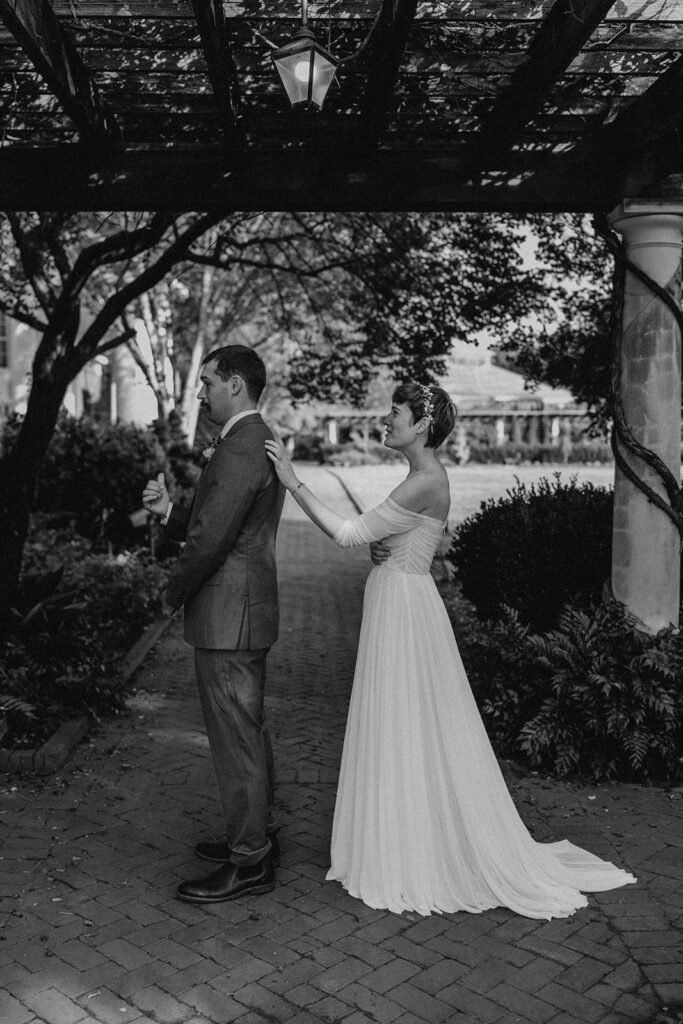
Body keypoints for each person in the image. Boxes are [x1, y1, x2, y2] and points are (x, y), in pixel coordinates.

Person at [265, 382, 636, 918]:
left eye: (396, 413)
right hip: (402, 598)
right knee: (405, 724)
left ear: (421, 425)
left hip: (404, 610)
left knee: (406, 722)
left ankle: (409, 852)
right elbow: (391, 538)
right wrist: (385, 546)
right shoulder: (420, 478)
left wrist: (293, 482)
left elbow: (348, 533)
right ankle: (401, 838)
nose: (386, 419)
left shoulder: (424, 480)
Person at [143, 345, 284, 904]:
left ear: (236, 386)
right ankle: (255, 836)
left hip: (230, 616)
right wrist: (168, 514)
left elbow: (210, 542)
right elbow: (218, 524)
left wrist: (169, 593)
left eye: (206, 383)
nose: (200, 393)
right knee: (247, 730)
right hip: (242, 610)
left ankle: (249, 862)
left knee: (236, 741)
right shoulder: (248, 440)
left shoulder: (240, 447)